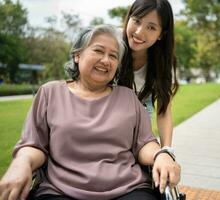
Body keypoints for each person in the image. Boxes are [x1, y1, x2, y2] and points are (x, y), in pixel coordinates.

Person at [0, 25, 180, 200]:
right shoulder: (50, 93)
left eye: (113, 56)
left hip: (128, 189)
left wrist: (161, 154)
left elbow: (144, 144)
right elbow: (35, 145)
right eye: (99, 51)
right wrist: (21, 162)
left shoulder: (128, 98)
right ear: (77, 55)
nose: (106, 60)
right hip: (60, 191)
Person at [118, 0, 179, 150]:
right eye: (136, 21)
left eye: (151, 27)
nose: (139, 32)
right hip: (102, 131)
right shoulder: (112, 44)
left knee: (165, 168)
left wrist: (166, 150)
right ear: (129, 17)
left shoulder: (163, 63)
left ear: (161, 35)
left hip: (138, 139)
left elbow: (163, 111)